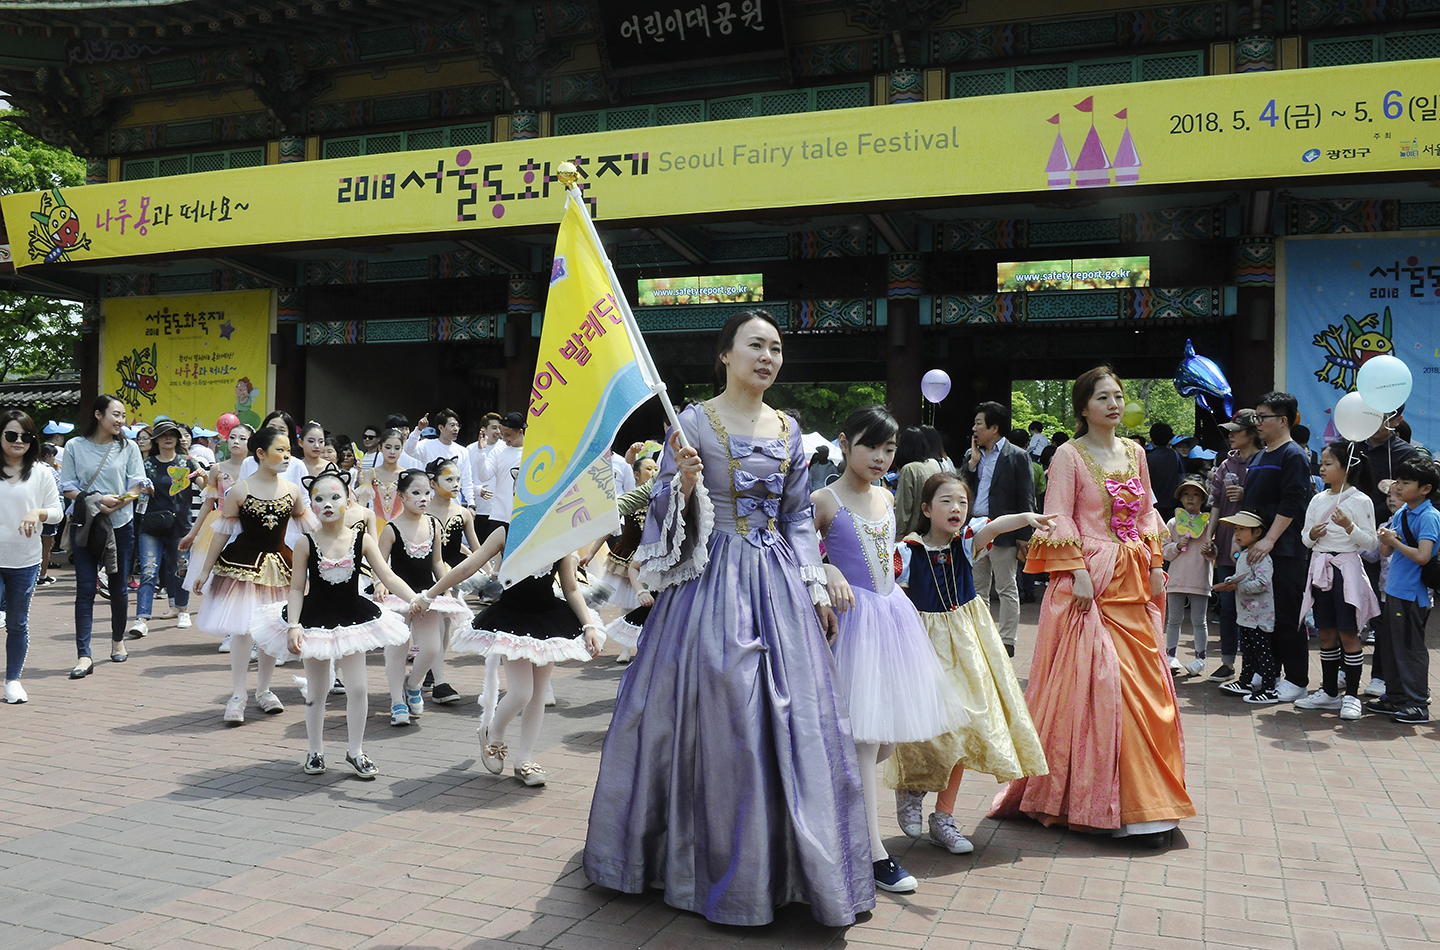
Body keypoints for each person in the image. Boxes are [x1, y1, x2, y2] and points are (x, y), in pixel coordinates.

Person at [584, 309, 875, 927]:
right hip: (710, 583)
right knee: (727, 702)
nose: (767, 357)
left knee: (794, 719)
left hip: (779, 584)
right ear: (726, 354)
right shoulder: (691, 423)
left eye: (775, 348)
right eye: (755, 346)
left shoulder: (791, 430)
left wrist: (816, 585)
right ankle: (710, 863)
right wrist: (682, 485)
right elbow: (661, 512)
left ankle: (787, 864)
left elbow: (797, 518)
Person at [990, 365, 1193, 844]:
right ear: (1084, 408)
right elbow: (1058, 515)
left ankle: (1148, 804)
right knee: (1102, 689)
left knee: (1148, 690)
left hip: (1134, 582)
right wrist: (1077, 573)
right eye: (1103, 397)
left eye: (1118, 396)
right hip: (1090, 584)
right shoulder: (1068, 455)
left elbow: (1146, 513)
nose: (1114, 404)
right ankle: (1109, 805)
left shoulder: (1137, 452)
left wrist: (1156, 562)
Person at [814, 405, 970, 892]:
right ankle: (873, 854)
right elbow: (791, 549)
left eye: (889, 448)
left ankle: (839, 819)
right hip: (852, 626)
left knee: (881, 742)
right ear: (844, 444)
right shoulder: (823, 498)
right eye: (870, 446)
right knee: (863, 741)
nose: (881, 457)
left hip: (891, 620)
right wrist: (827, 570)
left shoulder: (885, 496)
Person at [887, 470, 1050, 856]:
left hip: (967, 644)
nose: (956, 508)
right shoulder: (907, 551)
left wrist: (1027, 518)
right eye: (946, 501)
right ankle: (911, 790)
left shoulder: (965, 543)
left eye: (961, 501)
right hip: (924, 645)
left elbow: (994, 528)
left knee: (966, 726)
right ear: (926, 509)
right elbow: (886, 591)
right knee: (926, 728)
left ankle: (944, 817)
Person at [250, 468, 418, 777]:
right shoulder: (305, 543)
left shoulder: (362, 539)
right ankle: (315, 751)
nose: (327, 504)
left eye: (335, 497)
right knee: (318, 691)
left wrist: (414, 598)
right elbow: (297, 588)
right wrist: (294, 625)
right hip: (314, 623)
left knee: (358, 688)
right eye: (319, 498)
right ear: (311, 504)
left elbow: (388, 575)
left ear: (349, 499)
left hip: (353, 620)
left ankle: (356, 751)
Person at [429, 525, 602, 786]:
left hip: (549, 619)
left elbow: (571, 588)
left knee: (539, 692)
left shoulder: (561, 533)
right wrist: (429, 594)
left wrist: (588, 625)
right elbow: (468, 567)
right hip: (512, 620)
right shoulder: (506, 532)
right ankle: (493, 732)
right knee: (522, 692)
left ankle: (524, 760)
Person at [188, 427, 311, 724]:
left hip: (281, 566)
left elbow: (311, 529)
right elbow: (221, 534)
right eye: (279, 450)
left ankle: (264, 690)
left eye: (288, 450)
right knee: (243, 631)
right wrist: (205, 570)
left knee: (272, 630)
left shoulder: (292, 491)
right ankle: (238, 693)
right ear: (260, 453)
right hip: (242, 567)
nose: (286, 455)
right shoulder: (240, 490)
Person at [59, 395, 149, 678]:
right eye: (116, 415)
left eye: (123, 415)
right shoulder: (75, 446)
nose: (121, 421)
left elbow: (137, 485)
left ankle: (117, 640)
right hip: (85, 525)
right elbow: (68, 487)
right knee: (85, 589)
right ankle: (83, 655)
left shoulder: (129, 447)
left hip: (120, 525)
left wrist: (117, 503)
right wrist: (97, 501)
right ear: (98, 415)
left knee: (119, 588)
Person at [377, 469, 472, 726]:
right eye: (415, 493)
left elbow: (438, 561)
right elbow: (380, 565)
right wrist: (378, 584)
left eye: (426, 493)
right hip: (398, 598)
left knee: (431, 648)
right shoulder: (391, 529)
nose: (422, 498)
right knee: (396, 651)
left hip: (428, 595)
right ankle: (397, 701)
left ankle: (414, 683)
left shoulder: (433, 524)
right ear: (402, 496)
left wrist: (446, 588)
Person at [1293, 441, 1379, 720]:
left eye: (1329, 463)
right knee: (1326, 632)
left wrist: (1348, 527)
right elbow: (1305, 537)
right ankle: (1329, 693)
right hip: (1320, 567)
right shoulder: (1318, 498)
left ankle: (1352, 696)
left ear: (1346, 467)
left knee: (1348, 632)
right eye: (1323, 463)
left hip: (1346, 568)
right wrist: (1314, 535)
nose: (1322, 467)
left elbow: (1370, 543)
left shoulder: (1360, 500)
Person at [1240, 392, 1314, 701]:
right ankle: (1269, 674)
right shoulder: (1260, 455)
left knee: (1286, 615)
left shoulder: (1293, 454)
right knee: (1262, 616)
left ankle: (1296, 679)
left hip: (1284, 549)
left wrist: (1271, 538)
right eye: (1256, 417)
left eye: (1262, 417)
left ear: (1282, 420)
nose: (1257, 423)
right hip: (1258, 551)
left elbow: (1293, 501)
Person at [1370, 455, 1440, 725]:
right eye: (1397, 481)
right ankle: (1396, 696)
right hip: (1394, 590)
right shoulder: (1402, 512)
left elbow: (1423, 556)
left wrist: (1393, 542)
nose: (1398, 487)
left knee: (1410, 649)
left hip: (1412, 594)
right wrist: (1386, 539)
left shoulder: (1430, 516)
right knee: (1391, 646)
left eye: (1406, 482)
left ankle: (1417, 703)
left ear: (1425, 489)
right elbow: (1386, 548)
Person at [964, 401, 1035, 658]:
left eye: (978, 424)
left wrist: (1023, 536)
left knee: (1006, 587)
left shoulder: (1017, 455)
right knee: (978, 588)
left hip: (1004, 530)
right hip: (975, 529)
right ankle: (982, 635)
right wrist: (971, 465)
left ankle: (1007, 640)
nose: (974, 429)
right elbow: (962, 489)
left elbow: (1026, 496)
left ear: (994, 428)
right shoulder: (972, 455)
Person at [0, 411, 63, 703]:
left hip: (25, 560)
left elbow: (57, 511)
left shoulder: (41, 472)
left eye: (26, 436)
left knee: (17, 623)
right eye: (11, 435)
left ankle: (13, 680)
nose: (19, 441)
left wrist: (37, 512)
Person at [1199, 409, 1262, 684]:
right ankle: (1227, 662)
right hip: (1226, 545)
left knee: (1254, 605)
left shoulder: (1264, 461)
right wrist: (1209, 537)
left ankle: (1257, 664)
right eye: (1230, 430)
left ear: (1251, 433)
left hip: (1255, 547)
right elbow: (1215, 503)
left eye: (1236, 430)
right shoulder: (1225, 465)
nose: (1231, 435)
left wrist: (1247, 495)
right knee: (1226, 606)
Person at [131, 419, 205, 637]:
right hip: (151, 527)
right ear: (157, 440)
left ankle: (183, 610)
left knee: (181, 569)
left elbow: (205, 487)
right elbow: (135, 490)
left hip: (180, 527)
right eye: (163, 435)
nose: (168, 438)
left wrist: (209, 477)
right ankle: (141, 619)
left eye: (172, 434)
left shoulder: (188, 462)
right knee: (148, 571)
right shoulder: (147, 465)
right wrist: (130, 495)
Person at [180, 424, 251, 650]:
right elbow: (207, 504)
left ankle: (250, 633)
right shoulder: (217, 469)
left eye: (242, 437)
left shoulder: (257, 468)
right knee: (227, 581)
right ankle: (231, 632)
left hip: (251, 527)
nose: (236, 441)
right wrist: (193, 533)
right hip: (222, 527)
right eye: (232, 437)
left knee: (248, 583)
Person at [1212, 510, 1279, 703]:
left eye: (1242, 529)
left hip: (1259, 616)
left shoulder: (1261, 556)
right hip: (1245, 615)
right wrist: (1231, 581)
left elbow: (1263, 583)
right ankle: (1245, 682)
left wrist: (1238, 586)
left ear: (1257, 533)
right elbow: (1244, 577)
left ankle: (1269, 689)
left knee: (1262, 652)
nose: (1238, 534)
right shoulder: (1245, 554)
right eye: (1236, 530)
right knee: (1248, 650)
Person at [1161, 476, 1214, 677]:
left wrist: (1210, 550)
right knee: (1173, 619)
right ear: (1180, 498)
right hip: (1176, 579)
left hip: (1200, 578)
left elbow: (1213, 553)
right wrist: (1177, 545)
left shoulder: (1208, 523)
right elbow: (1164, 550)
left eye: (1195, 495)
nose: (1190, 498)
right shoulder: (1173, 523)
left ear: (1203, 498)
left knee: (1199, 620)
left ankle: (1200, 658)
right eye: (1186, 494)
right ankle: (1171, 655)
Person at [406, 410, 475, 505]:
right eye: (452, 425)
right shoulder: (427, 445)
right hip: (430, 503)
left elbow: (466, 479)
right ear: (441, 428)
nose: (456, 429)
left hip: (454, 504)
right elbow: (408, 449)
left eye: (457, 425)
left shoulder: (462, 451)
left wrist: (471, 503)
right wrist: (418, 430)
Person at [893, 426, 942, 538]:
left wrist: (898, 536)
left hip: (912, 532)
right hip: (931, 530)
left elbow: (904, 508)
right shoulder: (933, 465)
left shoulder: (909, 469)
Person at [356, 428, 406, 529]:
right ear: (380, 448)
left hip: (400, 526)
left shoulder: (404, 475)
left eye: (397, 448)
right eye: (388, 447)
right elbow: (363, 502)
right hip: (376, 526)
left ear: (402, 449)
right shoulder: (371, 473)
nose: (392, 452)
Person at [37, 443, 63, 589]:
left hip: (35, 511)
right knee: (46, 546)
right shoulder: (49, 471)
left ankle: (38, 574)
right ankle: (41, 575)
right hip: (48, 512)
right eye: (53, 456)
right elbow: (60, 488)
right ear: (48, 456)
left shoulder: (32, 468)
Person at [1146, 423, 1183, 524]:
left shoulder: (1147, 458)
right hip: (1172, 506)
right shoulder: (1175, 456)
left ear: (1152, 438)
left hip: (1153, 507)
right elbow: (1181, 477)